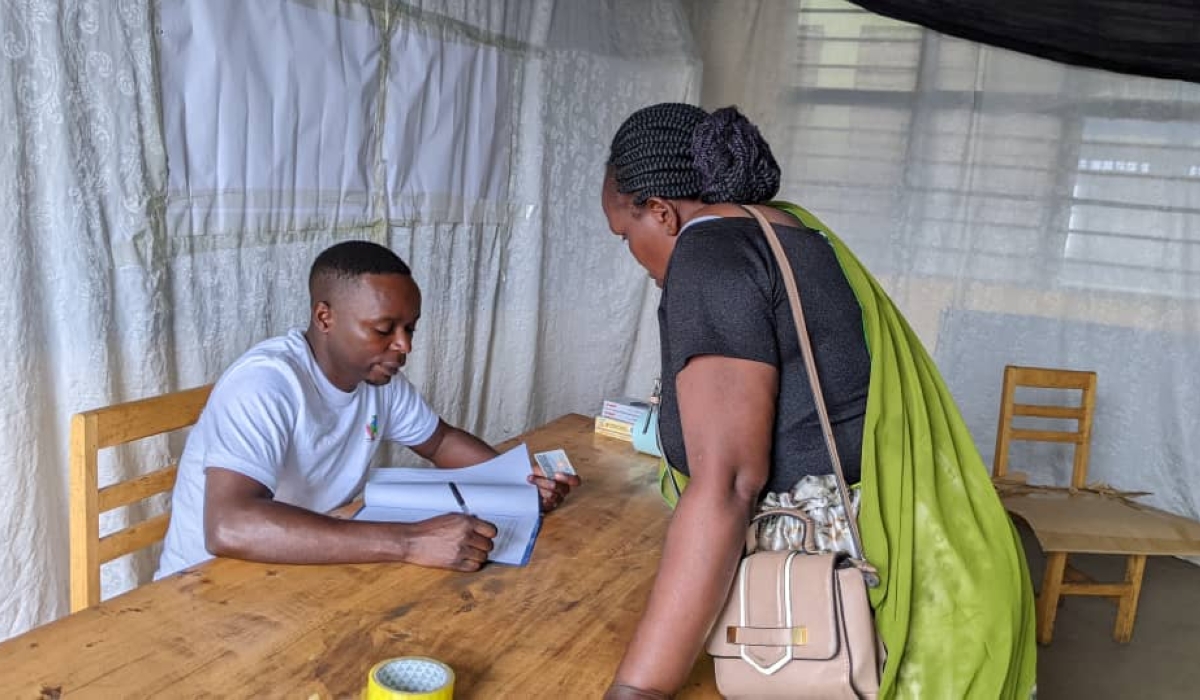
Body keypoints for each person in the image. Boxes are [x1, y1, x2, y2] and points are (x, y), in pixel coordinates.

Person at [599, 103, 1036, 700]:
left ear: (661, 212)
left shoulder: (712, 254)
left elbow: (726, 485)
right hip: (925, 562)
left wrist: (637, 691)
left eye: (626, 235)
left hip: (821, 591)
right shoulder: (795, 234)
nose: (633, 254)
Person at [156, 241, 579, 578]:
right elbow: (229, 525)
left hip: (299, 565)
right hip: (206, 585)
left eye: (409, 328)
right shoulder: (266, 384)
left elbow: (440, 440)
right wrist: (410, 542)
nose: (404, 346)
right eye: (383, 329)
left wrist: (516, 484)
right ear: (325, 318)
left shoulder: (377, 378)